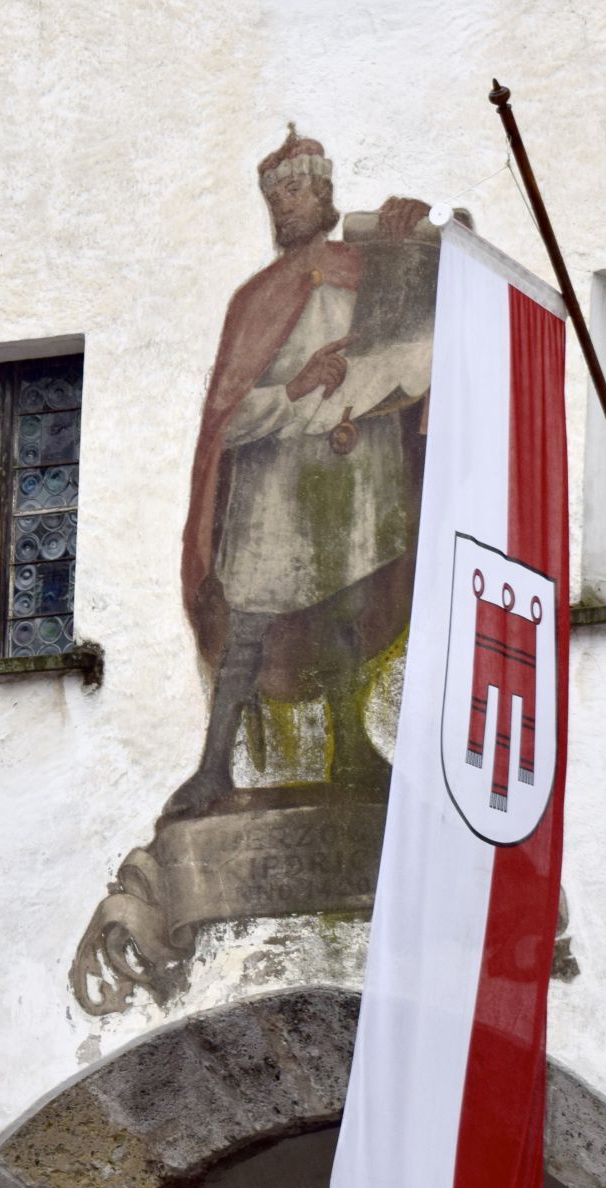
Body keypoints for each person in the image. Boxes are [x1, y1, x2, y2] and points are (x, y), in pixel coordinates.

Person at [169, 126, 434, 819]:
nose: (285, 205)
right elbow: (227, 417)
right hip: (274, 495)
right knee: (249, 625)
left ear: (325, 194)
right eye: (276, 196)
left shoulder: (368, 269)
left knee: (344, 611)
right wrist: (295, 387)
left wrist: (415, 237)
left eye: (297, 190)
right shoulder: (256, 300)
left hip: (355, 481)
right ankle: (213, 766)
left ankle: (351, 749)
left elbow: (422, 335)